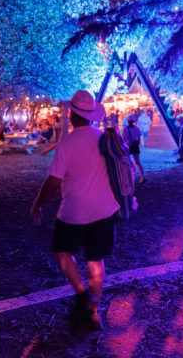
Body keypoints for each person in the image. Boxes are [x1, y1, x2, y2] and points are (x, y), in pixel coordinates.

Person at [30, 90, 120, 331]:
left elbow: (53, 182)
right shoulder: (104, 139)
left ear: (71, 114)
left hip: (74, 212)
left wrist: (38, 204)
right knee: (96, 260)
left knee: (62, 252)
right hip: (104, 210)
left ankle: (82, 293)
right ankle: (94, 310)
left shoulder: (67, 144)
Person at [123, 116, 146, 183]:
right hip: (135, 146)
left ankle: (130, 176)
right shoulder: (136, 128)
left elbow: (123, 138)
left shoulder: (125, 129)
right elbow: (139, 137)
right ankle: (142, 176)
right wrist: (137, 144)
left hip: (129, 146)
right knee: (137, 162)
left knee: (128, 162)